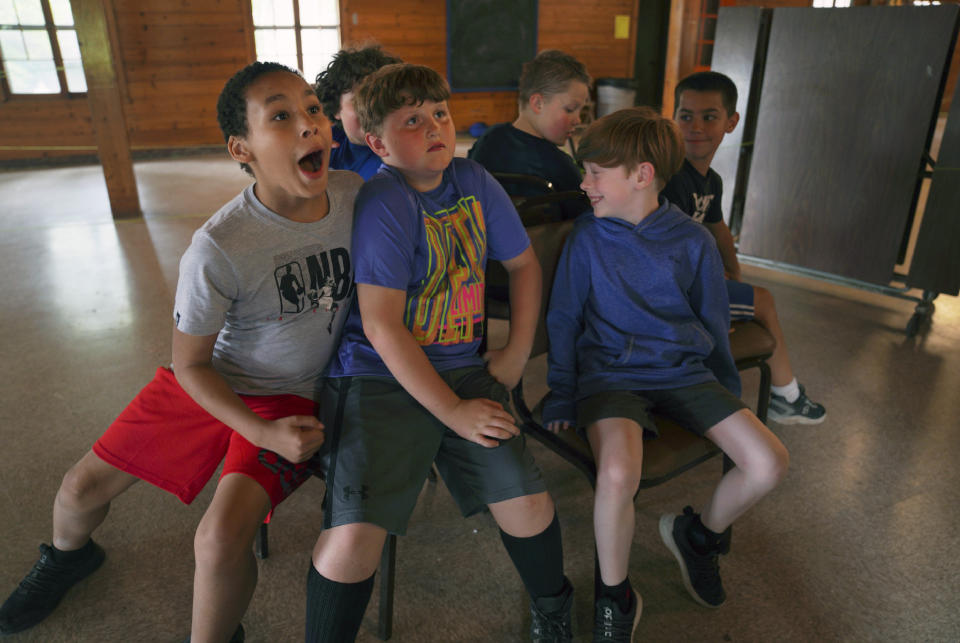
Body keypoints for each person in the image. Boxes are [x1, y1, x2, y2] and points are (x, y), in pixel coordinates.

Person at [0, 61, 362, 643]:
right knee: (77, 490)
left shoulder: (354, 197)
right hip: (214, 379)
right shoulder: (218, 245)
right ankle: (70, 557)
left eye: (313, 108)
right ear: (240, 149)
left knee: (218, 539)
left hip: (290, 395)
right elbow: (191, 365)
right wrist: (260, 434)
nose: (308, 125)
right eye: (281, 115)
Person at [304, 63, 573, 643]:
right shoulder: (385, 201)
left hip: (461, 369)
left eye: (440, 114)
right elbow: (380, 327)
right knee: (355, 536)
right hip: (378, 376)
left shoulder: (474, 180)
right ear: (376, 143)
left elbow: (523, 265)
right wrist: (452, 411)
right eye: (411, 121)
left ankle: (554, 607)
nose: (434, 128)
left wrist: (513, 352)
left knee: (526, 499)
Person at [542, 107, 790, 641]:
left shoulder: (692, 242)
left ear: (642, 174)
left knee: (768, 461)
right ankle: (616, 596)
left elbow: (712, 322)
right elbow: (563, 319)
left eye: (595, 173)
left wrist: (725, 399)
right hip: (610, 376)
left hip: (683, 373)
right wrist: (562, 392)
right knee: (615, 474)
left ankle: (697, 536)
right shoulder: (587, 239)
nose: (584, 184)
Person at [661, 71, 825, 425]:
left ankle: (783, 392)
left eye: (710, 116)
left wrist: (732, 274)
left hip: (693, 285)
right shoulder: (671, 175)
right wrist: (714, 302)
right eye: (686, 116)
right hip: (671, 291)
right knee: (763, 300)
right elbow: (669, 252)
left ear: (731, 122)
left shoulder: (711, 181)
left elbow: (718, 230)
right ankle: (787, 397)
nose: (696, 127)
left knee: (755, 295)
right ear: (673, 119)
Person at [468, 49, 591, 219]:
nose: (578, 120)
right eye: (570, 109)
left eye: (581, 111)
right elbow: (585, 218)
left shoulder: (487, 139)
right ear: (538, 103)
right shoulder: (559, 165)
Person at [315, 44, 401, 180]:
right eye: (358, 100)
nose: (372, 107)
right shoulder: (328, 140)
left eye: (383, 98)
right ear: (336, 107)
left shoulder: (400, 159)